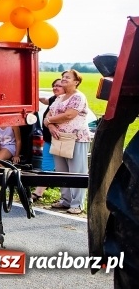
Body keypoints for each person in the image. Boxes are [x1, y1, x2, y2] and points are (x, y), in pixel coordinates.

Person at [43, 69, 91, 215]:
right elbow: (48, 116)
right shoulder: (60, 97)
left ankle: (77, 204)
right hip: (59, 138)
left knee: (77, 171)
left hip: (76, 138)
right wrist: (50, 125)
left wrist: (50, 120)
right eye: (63, 77)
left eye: (67, 77)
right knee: (62, 171)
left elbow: (69, 115)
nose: (63, 79)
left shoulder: (78, 97)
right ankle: (66, 200)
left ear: (76, 82)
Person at [32, 78, 62, 202]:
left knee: (64, 170)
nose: (55, 87)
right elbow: (44, 100)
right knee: (47, 166)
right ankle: (38, 193)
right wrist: (32, 93)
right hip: (49, 140)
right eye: (54, 85)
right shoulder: (53, 99)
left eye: (59, 86)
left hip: (61, 140)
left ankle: (69, 198)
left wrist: (49, 123)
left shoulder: (67, 102)